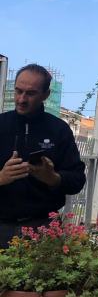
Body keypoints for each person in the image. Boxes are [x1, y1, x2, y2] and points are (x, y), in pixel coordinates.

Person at [0, 64, 86, 249]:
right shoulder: (1, 125)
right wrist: (1, 178)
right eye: (18, 91)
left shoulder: (59, 130)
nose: (21, 99)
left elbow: (77, 180)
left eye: (30, 93)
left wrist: (54, 178)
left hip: (42, 229)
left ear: (45, 95)